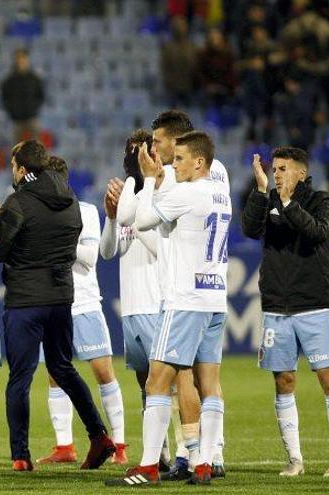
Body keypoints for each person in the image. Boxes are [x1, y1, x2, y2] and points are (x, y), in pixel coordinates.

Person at [107, 131, 231, 487]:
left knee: (157, 381)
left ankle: (147, 468)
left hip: (185, 300)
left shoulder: (188, 192)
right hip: (214, 299)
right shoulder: (221, 193)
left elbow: (142, 220)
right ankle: (205, 463)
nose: (172, 166)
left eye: (179, 160)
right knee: (210, 383)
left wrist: (149, 179)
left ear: (199, 162)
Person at [0, 140, 115, 472]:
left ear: (23, 169)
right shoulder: (70, 202)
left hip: (26, 301)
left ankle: (21, 455)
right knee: (63, 369)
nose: (12, 171)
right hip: (61, 298)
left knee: (21, 377)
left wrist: (0, 224)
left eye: (14, 165)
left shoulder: (19, 202)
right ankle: (99, 435)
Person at [242, 146, 329, 477]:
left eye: (283, 168)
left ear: (301, 172)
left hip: (314, 304)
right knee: (284, 380)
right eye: (274, 169)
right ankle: (295, 459)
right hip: (277, 307)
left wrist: (288, 204)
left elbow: (318, 231)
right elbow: (250, 229)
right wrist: (261, 192)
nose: (277, 174)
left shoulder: (322, 201)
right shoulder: (269, 198)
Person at [39, 157, 127, 466]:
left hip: (85, 304)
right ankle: (65, 447)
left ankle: (119, 443)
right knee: (53, 376)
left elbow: (89, 257)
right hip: (52, 304)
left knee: (103, 373)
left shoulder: (86, 212)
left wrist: (49, 241)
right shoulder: (39, 212)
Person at [99, 131, 163, 461]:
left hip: (159, 302)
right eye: (131, 151)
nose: (134, 157)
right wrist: (112, 217)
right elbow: (109, 252)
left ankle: (190, 452)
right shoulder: (128, 195)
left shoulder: (161, 193)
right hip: (133, 306)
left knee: (169, 384)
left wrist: (132, 213)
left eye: (140, 151)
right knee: (144, 385)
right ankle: (161, 454)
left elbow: (161, 250)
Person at [0, 50, 44, 144]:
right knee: (17, 148)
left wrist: (33, 108)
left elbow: (40, 96)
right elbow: (4, 98)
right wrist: (12, 111)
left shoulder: (34, 79)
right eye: (18, 59)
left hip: (32, 117)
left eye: (23, 59)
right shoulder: (9, 80)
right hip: (16, 119)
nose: (21, 61)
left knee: (36, 146)